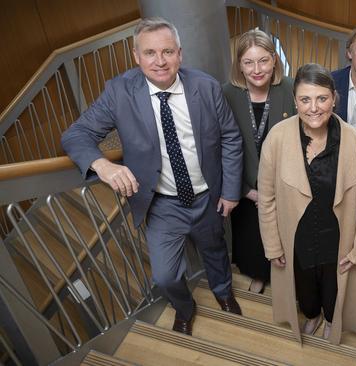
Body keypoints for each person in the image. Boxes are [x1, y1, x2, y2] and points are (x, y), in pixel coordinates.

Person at [61, 17, 244, 337]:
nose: (160, 61)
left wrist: (229, 191)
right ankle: (185, 308)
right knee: (165, 277)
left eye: (167, 52)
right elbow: (76, 135)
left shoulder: (205, 86)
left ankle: (223, 291)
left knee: (215, 249)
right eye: (150, 53)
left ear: (180, 54)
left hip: (207, 195)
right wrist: (103, 165)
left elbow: (230, 138)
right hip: (161, 205)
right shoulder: (119, 91)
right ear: (136, 56)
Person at [258, 63, 356, 344]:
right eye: (305, 99)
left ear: (334, 98)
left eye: (322, 98)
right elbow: (266, 198)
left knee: (334, 289)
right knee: (306, 289)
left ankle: (333, 319)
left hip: (337, 238)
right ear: (295, 100)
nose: (314, 107)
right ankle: (312, 315)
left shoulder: (353, 140)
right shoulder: (277, 137)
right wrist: (273, 244)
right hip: (296, 237)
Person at [222, 29, 295, 294]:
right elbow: (221, 148)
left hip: (284, 185)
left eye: (263, 60)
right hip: (244, 186)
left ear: (274, 60)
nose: (257, 69)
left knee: (282, 233)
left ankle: (281, 275)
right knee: (250, 237)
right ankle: (258, 274)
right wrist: (247, 191)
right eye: (249, 62)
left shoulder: (290, 88)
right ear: (239, 65)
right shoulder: (226, 94)